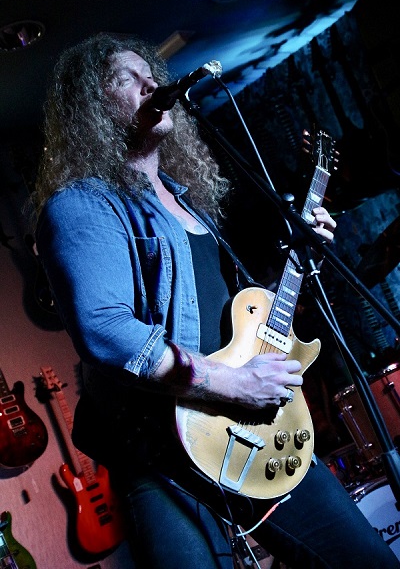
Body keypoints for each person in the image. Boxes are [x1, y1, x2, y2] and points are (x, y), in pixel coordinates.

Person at [33, 32, 399, 569]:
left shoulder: (191, 205)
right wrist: (233, 383)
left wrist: (301, 257)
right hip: (163, 452)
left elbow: (241, 314)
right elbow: (104, 329)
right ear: (92, 107)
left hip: (257, 434)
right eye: (126, 79)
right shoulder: (82, 203)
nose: (150, 84)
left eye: (151, 74)